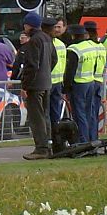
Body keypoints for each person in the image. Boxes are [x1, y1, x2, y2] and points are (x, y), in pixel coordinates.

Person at [20, 13, 56, 160]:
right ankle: (48, 145)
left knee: (36, 118)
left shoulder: (34, 41)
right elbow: (54, 59)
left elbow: (31, 66)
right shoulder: (47, 38)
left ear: (29, 25)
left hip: (35, 85)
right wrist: (46, 72)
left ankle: (41, 149)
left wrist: (25, 85)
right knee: (45, 116)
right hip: (47, 82)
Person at [64, 24, 95, 145]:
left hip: (79, 84)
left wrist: (66, 88)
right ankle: (90, 139)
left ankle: (82, 141)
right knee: (88, 113)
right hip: (90, 81)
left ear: (72, 35)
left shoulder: (73, 49)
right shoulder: (90, 46)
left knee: (79, 114)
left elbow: (70, 70)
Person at [49, 18, 67, 151]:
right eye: (55, 27)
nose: (56, 29)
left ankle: (51, 139)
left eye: (59, 27)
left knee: (47, 113)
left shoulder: (55, 44)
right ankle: (56, 140)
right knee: (55, 113)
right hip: (58, 83)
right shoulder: (61, 44)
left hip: (50, 82)